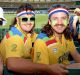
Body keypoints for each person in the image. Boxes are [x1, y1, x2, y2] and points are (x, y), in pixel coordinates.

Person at [0, 3, 68, 75]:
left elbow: (40, 37)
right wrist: (48, 68)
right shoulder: (15, 37)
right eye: (25, 19)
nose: (29, 22)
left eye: (32, 19)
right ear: (17, 19)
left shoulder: (26, 34)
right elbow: (12, 64)